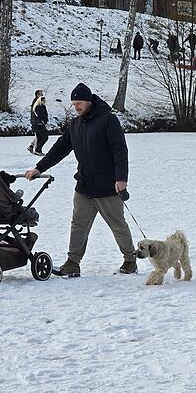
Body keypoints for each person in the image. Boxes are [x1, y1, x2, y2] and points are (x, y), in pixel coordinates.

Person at [25, 83, 137, 277]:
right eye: (73, 103)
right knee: (78, 224)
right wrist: (39, 167)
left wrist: (121, 178)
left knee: (117, 224)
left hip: (108, 186)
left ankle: (130, 260)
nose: (75, 107)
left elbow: (120, 150)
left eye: (78, 103)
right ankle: (72, 263)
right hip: (84, 185)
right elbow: (60, 148)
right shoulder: (76, 124)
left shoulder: (108, 120)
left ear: (88, 101)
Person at [27, 89, 43, 155]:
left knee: (38, 135)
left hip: (37, 121)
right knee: (39, 136)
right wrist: (38, 121)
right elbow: (36, 113)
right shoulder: (36, 102)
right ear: (37, 95)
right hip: (36, 122)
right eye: (40, 93)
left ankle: (31, 146)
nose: (42, 94)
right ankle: (37, 150)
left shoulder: (39, 101)